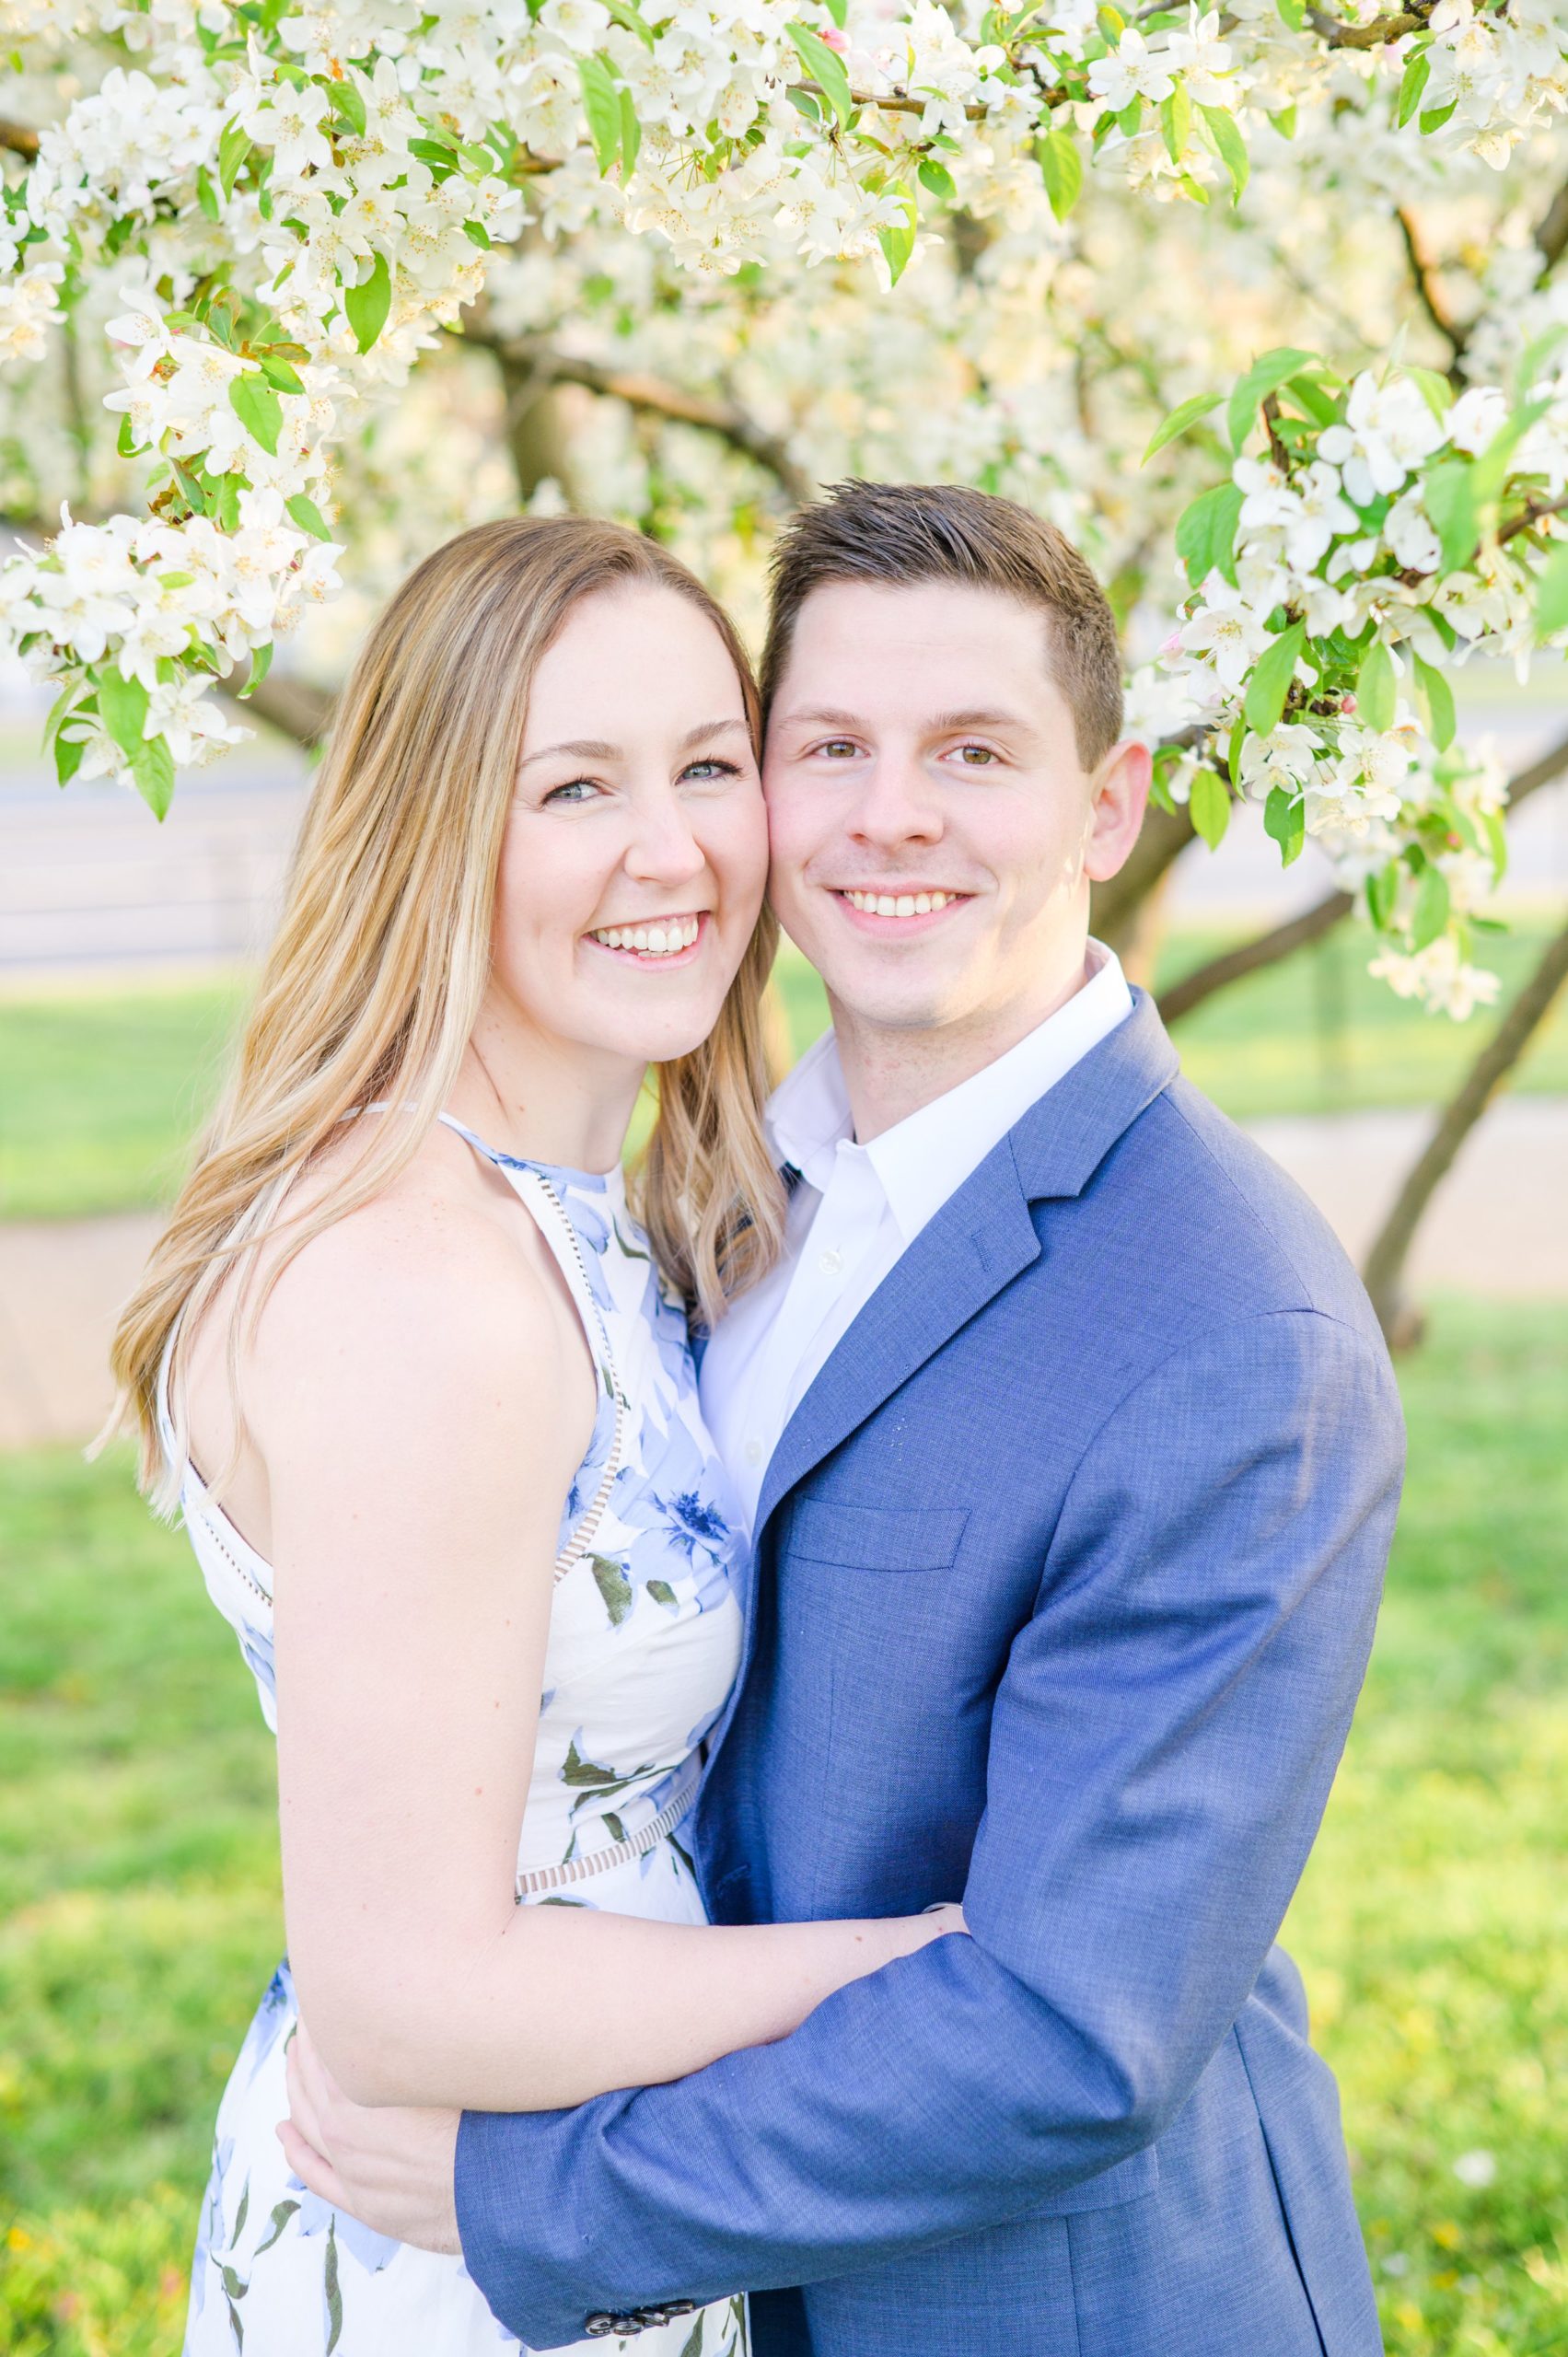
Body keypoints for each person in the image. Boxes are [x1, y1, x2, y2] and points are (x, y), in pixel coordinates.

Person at [284, 482, 1406, 2357]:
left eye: (975, 750)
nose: (893, 811)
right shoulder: (721, 1194)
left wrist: (534, 2193)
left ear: (1105, 810)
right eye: (830, 747)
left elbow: (1069, 2029)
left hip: (1048, 2307)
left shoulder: (1235, 1329)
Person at [108, 515, 968, 2357]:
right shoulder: (430, 1292)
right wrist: (930, 1967)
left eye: (708, 766)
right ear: (441, 832)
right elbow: (406, 1992)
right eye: (574, 787)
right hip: (453, 2241)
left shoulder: (571, 1219)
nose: (672, 852)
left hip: (580, 2182)